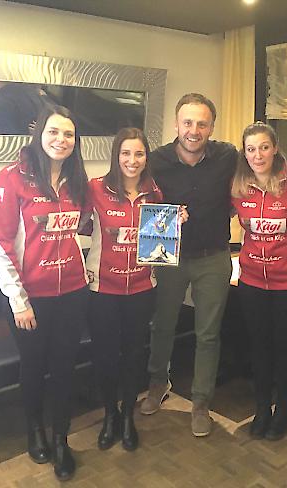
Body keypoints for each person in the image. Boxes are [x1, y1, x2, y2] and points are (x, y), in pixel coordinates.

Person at [0, 105, 89, 481]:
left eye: (68, 134)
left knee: (65, 368)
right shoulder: (11, 178)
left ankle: (62, 440)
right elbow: (0, 244)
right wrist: (19, 301)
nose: (61, 140)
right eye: (54, 132)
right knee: (33, 367)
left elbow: (92, 228)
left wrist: (162, 222)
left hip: (73, 294)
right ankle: (34, 431)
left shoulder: (77, 180)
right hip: (29, 301)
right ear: (39, 134)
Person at [140, 93, 238, 437]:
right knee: (162, 326)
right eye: (188, 122)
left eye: (202, 123)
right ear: (176, 124)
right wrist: (166, 220)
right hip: (169, 258)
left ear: (211, 126)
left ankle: (200, 402)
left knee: (208, 334)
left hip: (214, 256)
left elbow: (255, 178)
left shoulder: (228, 156)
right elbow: (139, 205)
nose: (194, 130)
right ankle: (157, 384)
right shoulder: (155, 161)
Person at [86, 127, 167, 452]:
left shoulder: (155, 194)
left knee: (135, 355)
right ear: (116, 156)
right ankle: (110, 416)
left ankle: (129, 417)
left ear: (146, 157)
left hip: (142, 288)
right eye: (126, 153)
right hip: (102, 289)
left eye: (139, 154)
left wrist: (174, 224)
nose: (132, 161)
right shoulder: (95, 189)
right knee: (105, 356)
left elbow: (158, 245)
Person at [231, 122, 287, 440]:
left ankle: (283, 413)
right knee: (259, 348)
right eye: (251, 149)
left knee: (285, 349)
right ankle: (262, 410)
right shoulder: (237, 186)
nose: (257, 154)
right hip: (251, 280)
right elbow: (210, 213)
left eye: (264, 147)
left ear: (275, 148)